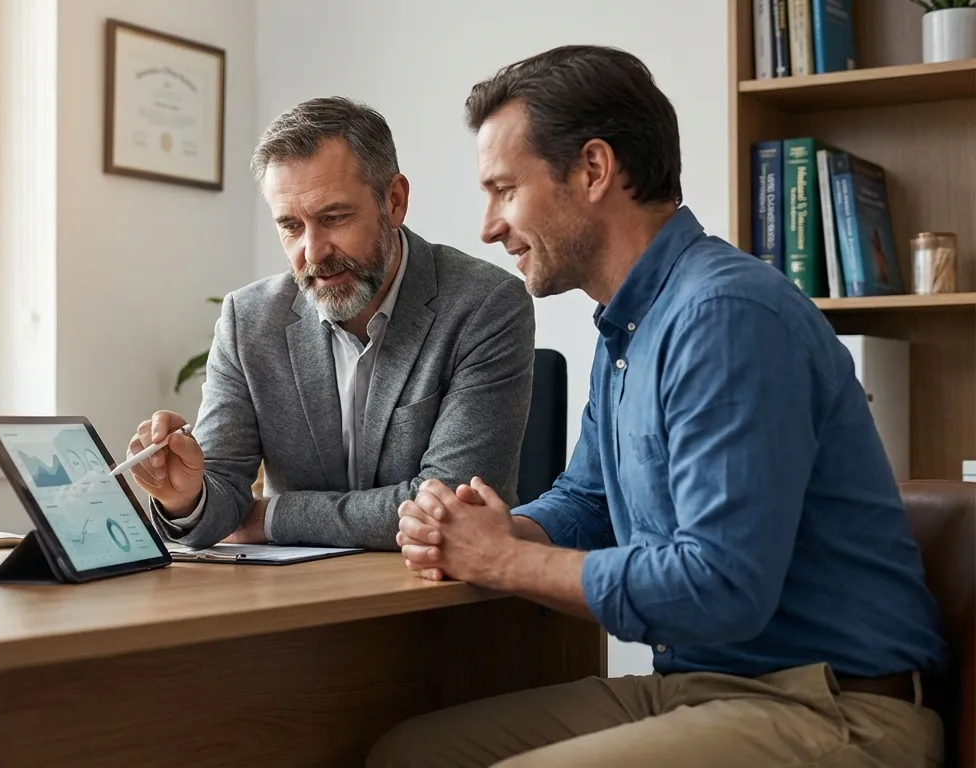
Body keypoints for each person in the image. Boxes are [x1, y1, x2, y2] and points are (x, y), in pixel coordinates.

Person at [370, 45, 948, 767]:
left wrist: (501, 560)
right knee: (408, 754)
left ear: (592, 170)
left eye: (504, 189)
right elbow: (587, 500)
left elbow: (721, 585)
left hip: (835, 709)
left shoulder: (725, 315)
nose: (488, 226)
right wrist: (493, 526)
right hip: (704, 689)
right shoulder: (627, 328)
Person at [124, 96, 535, 551]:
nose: (313, 252)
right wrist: (188, 497)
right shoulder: (249, 320)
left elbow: (450, 509)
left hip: (441, 599)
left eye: (333, 218)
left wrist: (273, 515)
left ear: (394, 202)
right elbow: (220, 504)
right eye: (291, 227)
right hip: (304, 601)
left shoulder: (484, 304)